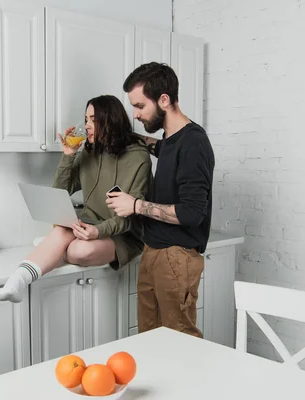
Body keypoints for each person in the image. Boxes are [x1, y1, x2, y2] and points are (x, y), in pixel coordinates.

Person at [0, 95, 152, 303]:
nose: (86, 126)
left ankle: (53, 246)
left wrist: (98, 231)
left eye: (92, 119)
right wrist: (68, 155)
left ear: (110, 120)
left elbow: (131, 216)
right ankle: (19, 279)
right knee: (63, 229)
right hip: (87, 226)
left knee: (79, 251)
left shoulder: (137, 158)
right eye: (85, 119)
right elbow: (61, 190)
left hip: (123, 233)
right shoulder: (89, 151)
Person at [106, 62, 215, 338]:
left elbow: (192, 213)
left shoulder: (194, 142)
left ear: (164, 100)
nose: (136, 114)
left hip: (177, 257)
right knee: (150, 340)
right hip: (154, 251)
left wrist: (135, 205)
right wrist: (124, 135)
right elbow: (162, 148)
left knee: (180, 341)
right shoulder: (172, 139)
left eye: (140, 106)